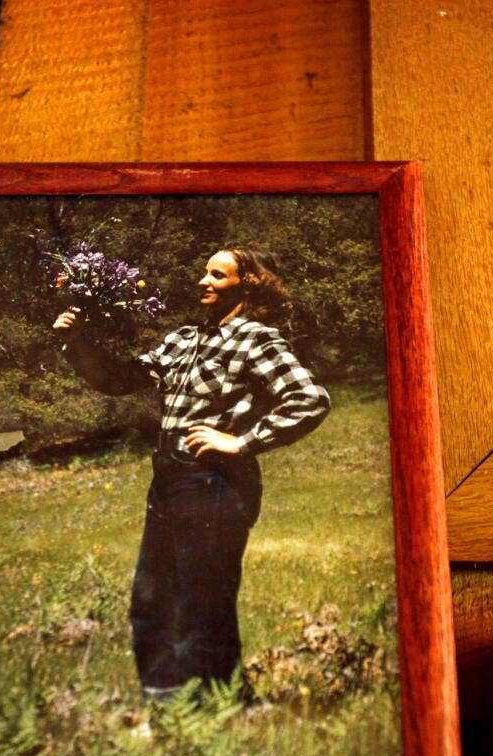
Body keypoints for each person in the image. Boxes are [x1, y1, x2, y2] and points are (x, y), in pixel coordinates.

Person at [53, 247, 331, 699]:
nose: (203, 281)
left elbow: (309, 398)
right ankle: (166, 704)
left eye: (217, 275)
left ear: (249, 284)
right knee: (152, 596)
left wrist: (241, 443)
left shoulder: (257, 339)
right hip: (168, 476)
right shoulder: (184, 338)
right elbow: (119, 379)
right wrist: (76, 340)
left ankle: (218, 707)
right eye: (204, 272)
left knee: (204, 600)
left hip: (214, 480)